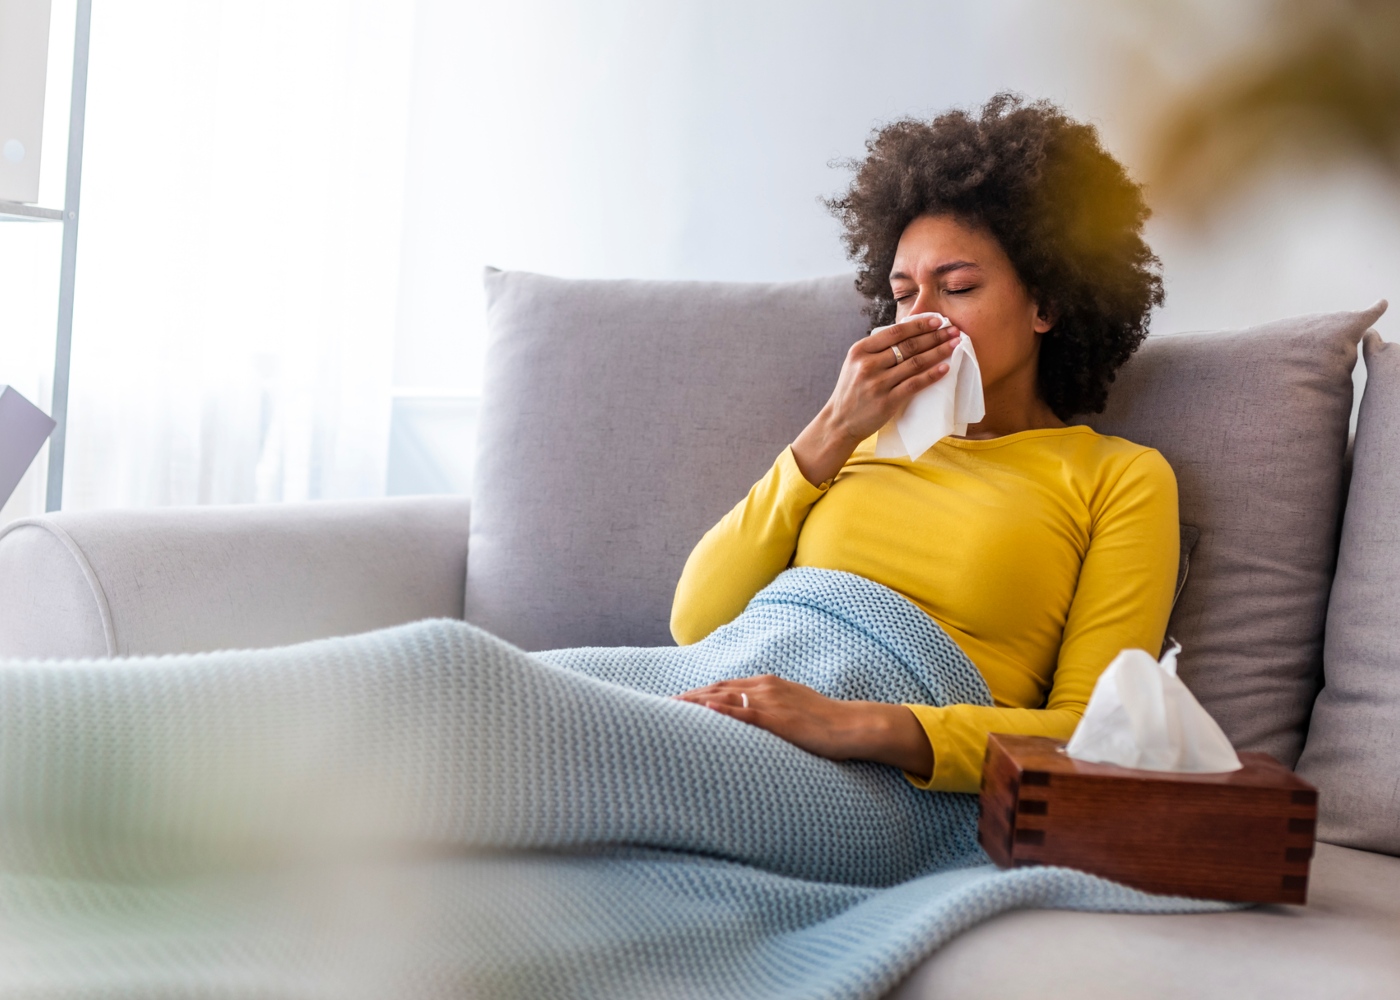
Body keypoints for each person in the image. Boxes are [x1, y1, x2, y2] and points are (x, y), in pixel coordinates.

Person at [671, 94, 1178, 795]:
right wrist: (834, 427)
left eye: (958, 285)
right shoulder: (854, 438)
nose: (923, 317)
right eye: (905, 293)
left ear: (1048, 304)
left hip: (868, 776)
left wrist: (854, 725)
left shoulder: (1118, 477)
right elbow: (695, 623)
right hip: (714, 697)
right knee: (463, 672)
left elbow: (1093, 733)